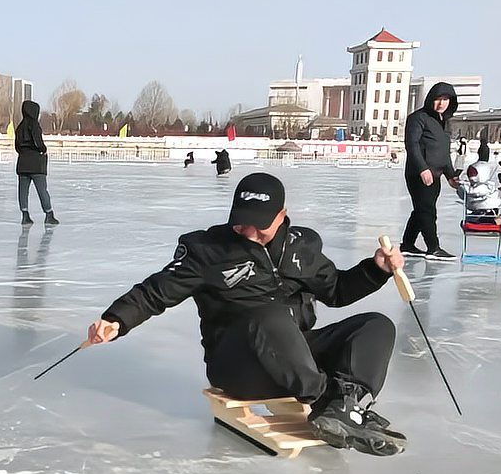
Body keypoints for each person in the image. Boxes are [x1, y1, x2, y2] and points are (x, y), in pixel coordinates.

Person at [85, 173, 409, 456]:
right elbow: (156, 291)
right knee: (267, 315)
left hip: (293, 356)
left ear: (281, 216)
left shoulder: (301, 246)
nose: (250, 232)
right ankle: (328, 402)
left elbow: (337, 290)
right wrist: (117, 319)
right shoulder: (207, 251)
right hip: (239, 366)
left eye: (260, 226)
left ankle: (347, 403)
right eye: (242, 223)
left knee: (375, 326)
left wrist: (375, 270)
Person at [400, 82, 460, 260]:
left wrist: (450, 175)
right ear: (430, 99)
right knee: (427, 211)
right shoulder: (418, 118)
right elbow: (412, 144)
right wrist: (422, 168)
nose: (441, 103)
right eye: (438, 99)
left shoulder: (442, 122)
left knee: (421, 210)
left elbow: (443, 151)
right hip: (419, 174)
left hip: (436, 174)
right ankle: (433, 247)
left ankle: (408, 245)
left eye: (445, 99)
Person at [14, 100, 58, 226]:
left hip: (23, 163)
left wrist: (24, 152)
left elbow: (17, 146)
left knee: (23, 191)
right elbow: (38, 142)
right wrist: (43, 150)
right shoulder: (34, 125)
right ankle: (49, 214)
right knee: (42, 190)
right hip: (36, 164)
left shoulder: (19, 127)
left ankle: (25, 215)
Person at [456, 161, 501, 238]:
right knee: (469, 219)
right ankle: (498, 220)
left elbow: (474, 192)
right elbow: (464, 194)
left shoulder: (485, 187)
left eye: (473, 174)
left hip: (489, 212)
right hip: (478, 212)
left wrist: (460, 186)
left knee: (484, 218)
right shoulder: (473, 187)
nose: (471, 177)